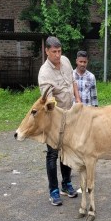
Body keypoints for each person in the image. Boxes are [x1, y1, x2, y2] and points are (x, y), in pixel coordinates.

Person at [38, 36, 81, 206]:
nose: (57, 55)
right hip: (54, 118)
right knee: (53, 154)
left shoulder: (65, 61)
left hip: (69, 114)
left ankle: (66, 184)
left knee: (67, 151)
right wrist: (59, 118)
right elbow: (49, 102)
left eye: (59, 51)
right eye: (54, 52)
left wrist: (78, 100)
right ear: (46, 51)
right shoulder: (44, 73)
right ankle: (54, 191)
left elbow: (73, 82)